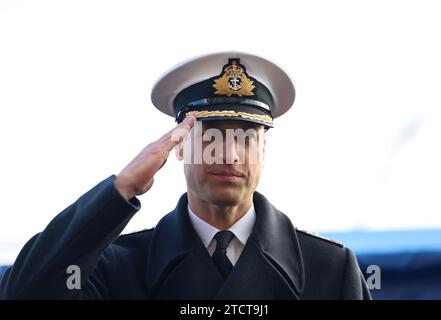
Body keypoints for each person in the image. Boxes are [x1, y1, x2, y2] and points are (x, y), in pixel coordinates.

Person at [0, 52, 370, 299]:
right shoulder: (119, 267)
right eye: (209, 135)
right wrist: (121, 188)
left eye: (246, 136)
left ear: (264, 150)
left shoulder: (330, 270)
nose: (228, 153)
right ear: (177, 146)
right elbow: (23, 292)